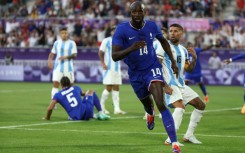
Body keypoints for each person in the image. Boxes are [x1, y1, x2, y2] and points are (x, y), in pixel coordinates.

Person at [112, 1, 181, 153]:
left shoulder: (152, 26)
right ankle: (150, 113)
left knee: (160, 102)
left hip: (152, 68)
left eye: (140, 12)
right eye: (134, 12)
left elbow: (164, 42)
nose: (137, 14)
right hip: (135, 73)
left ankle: (175, 143)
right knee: (148, 104)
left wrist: (173, 61)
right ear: (130, 13)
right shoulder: (121, 29)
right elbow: (114, 56)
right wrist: (131, 48)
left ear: (144, 12)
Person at [155, 24, 206, 145]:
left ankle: (189, 135)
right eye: (171, 31)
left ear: (181, 33)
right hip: (170, 84)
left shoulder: (183, 50)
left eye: (175, 31)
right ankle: (171, 138)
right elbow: (157, 66)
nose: (172, 33)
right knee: (180, 107)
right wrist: (164, 85)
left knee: (201, 105)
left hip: (181, 85)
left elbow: (188, 69)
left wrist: (194, 57)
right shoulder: (164, 46)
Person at [43, 76, 110, 121]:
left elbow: (50, 108)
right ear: (70, 83)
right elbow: (84, 94)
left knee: (74, 112)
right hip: (87, 111)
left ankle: (93, 115)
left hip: (76, 117)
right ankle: (100, 112)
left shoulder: (58, 95)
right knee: (91, 91)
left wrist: (47, 118)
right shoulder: (76, 88)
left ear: (61, 85)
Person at [98, 25, 126, 115]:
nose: (115, 32)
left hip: (117, 68)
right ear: (111, 32)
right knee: (109, 87)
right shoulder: (106, 41)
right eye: (113, 30)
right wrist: (103, 63)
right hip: (108, 68)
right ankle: (101, 107)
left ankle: (117, 109)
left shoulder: (121, 42)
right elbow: (100, 52)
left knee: (116, 87)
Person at [48, 26, 77, 108]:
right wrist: (49, 61)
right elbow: (52, 54)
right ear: (60, 34)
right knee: (55, 83)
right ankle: (53, 104)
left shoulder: (72, 43)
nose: (64, 34)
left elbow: (74, 55)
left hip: (68, 68)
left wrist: (65, 57)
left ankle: (70, 103)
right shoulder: (56, 43)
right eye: (62, 33)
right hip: (58, 67)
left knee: (70, 86)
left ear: (68, 34)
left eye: (65, 33)